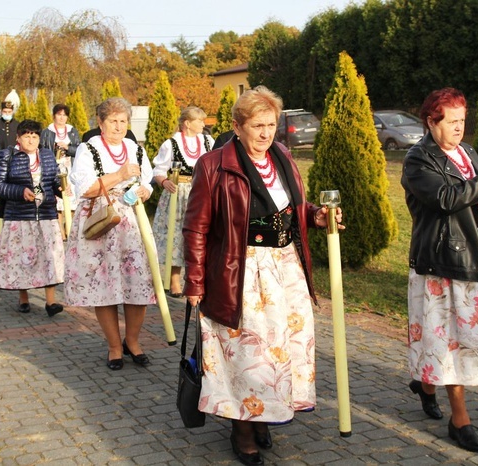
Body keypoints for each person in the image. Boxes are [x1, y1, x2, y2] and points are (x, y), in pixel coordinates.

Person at [182, 86, 343, 466]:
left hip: (286, 267)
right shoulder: (213, 165)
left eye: (271, 124)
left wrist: (315, 216)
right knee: (248, 353)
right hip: (241, 271)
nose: (266, 133)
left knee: (281, 348)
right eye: (257, 125)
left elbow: (291, 212)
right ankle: (243, 428)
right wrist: (194, 281)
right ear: (238, 126)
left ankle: (266, 412)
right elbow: (196, 228)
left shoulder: (283, 156)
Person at [402, 88, 478, 453]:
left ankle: (426, 384)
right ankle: (459, 420)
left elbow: (473, 197)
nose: (460, 128)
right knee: (451, 341)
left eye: (463, 120)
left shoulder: (468, 153)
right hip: (443, 259)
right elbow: (447, 199)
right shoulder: (419, 160)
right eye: (452, 121)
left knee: (457, 339)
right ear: (432, 122)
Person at [65, 97, 155, 370]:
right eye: (113, 121)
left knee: (137, 283)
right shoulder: (87, 148)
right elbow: (86, 188)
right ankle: (114, 347)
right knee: (103, 286)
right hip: (101, 219)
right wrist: (119, 174)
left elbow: (148, 180)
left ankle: (133, 341)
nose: (118, 126)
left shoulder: (134, 148)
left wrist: (144, 190)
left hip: (131, 221)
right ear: (101, 123)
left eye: (123, 121)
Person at [0, 119, 65, 317]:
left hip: (46, 214)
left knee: (50, 257)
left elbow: (55, 180)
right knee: (22, 258)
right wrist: (19, 191)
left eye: (34, 136)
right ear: (18, 137)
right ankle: (23, 298)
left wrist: (61, 188)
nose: (31, 140)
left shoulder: (47, 155)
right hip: (19, 217)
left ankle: (51, 302)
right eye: (26, 136)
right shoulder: (8, 155)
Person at [151, 106, 214, 297]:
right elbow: (158, 171)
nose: (203, 124)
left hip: (201, 192)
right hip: (178, 194)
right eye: (200, 120)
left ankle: (199, 278)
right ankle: (174, 281)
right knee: (177, 234)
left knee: (202, 233)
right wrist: (165, 181)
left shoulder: (207, 141)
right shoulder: (171, 144)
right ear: (187, 123)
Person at [40, 103, 81, 236]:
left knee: (72, 198)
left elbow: (79, 150)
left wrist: (68, 148)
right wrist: (55, 148)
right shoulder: (47, 132)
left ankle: (71, 229)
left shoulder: (72, 131)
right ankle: (60, 232)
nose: (62, 118)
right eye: (59, 115)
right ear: (54, 116)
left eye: (64, 115)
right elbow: (43, 150)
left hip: (70, 166)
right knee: (58, 199)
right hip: (55, 168)